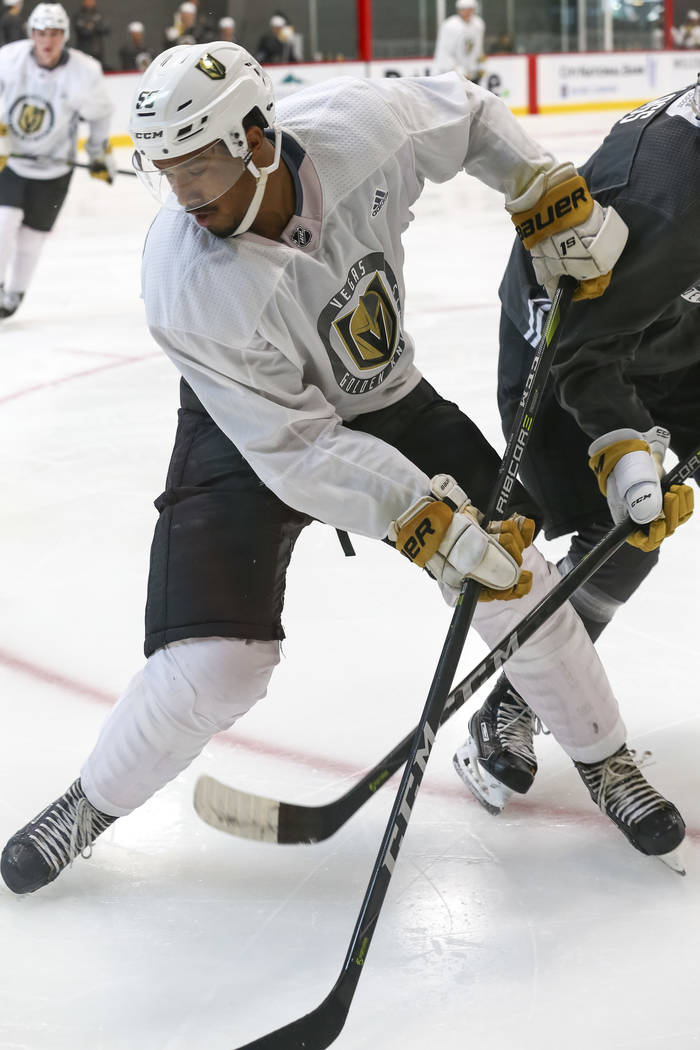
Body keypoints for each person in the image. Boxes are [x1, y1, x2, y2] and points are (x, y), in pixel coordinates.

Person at [0, 41, 686, 897]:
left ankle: (605, 759)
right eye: (166, 172)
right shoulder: (186, 286)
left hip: (389, 395)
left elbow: (469, 115)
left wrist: (538, 188)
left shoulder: (359, 128)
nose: (183, 193)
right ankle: (88, 806)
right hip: (250, 428)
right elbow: (297, 447)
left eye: (198, 165)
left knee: (513, 576)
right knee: (218, 665)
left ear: (255, 138)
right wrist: (422, 518)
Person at [453, 84, 697, 816]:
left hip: (672, 343)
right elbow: (584, 353)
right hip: (566, 352)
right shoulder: (667, 193)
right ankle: (518, 697)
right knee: (622, 534)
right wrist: (623, 448)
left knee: (631, 534)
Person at [0, 2, 114, 320]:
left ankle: (14, 294)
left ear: (64, 36)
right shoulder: (8, 59)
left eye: (54, 34)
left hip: (55, 166)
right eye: (40, 33)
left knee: (32, 237)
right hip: (11, 161)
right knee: (4, 221)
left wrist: (97, 152)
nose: (47, 41)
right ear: (31, 34)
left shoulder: (84, 71)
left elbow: (101, 114)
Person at [433, 0, 485, 83]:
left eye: (470, 9)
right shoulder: (450, 26)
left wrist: (480, 66)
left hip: (471, 74)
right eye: (464, 9)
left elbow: (478, 49)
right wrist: (459, 71)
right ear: (459, 10)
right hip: (450, 74)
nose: (467, 12)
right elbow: (445, 53)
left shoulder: (478, 24)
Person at [72, 0, 109, 67]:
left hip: (97, 50)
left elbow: (106, 29)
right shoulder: (78, 15)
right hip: (83, 50)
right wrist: (94, 26)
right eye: (88, 1)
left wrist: (91, 26)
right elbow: (83, 32)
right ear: (83, 2)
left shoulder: (98, 13)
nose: (90, 2)